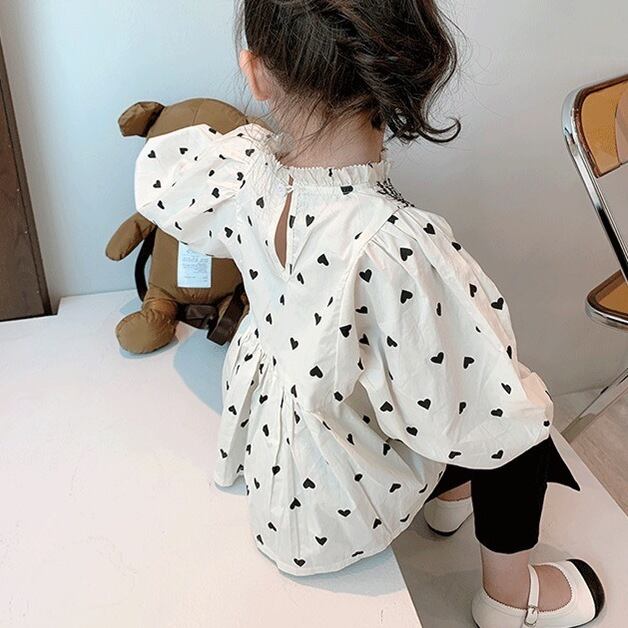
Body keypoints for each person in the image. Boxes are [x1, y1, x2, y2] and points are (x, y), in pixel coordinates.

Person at [133, 1, 605, 625]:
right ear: (400, 64)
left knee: (443, 365)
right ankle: (509, 597)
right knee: (512, 405)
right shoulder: (389, 244)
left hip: (281, 457)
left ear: (256, 74)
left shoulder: (241, 171)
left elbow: (166, 183)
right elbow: (486, 399)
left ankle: (451, 496)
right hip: (336, 499)